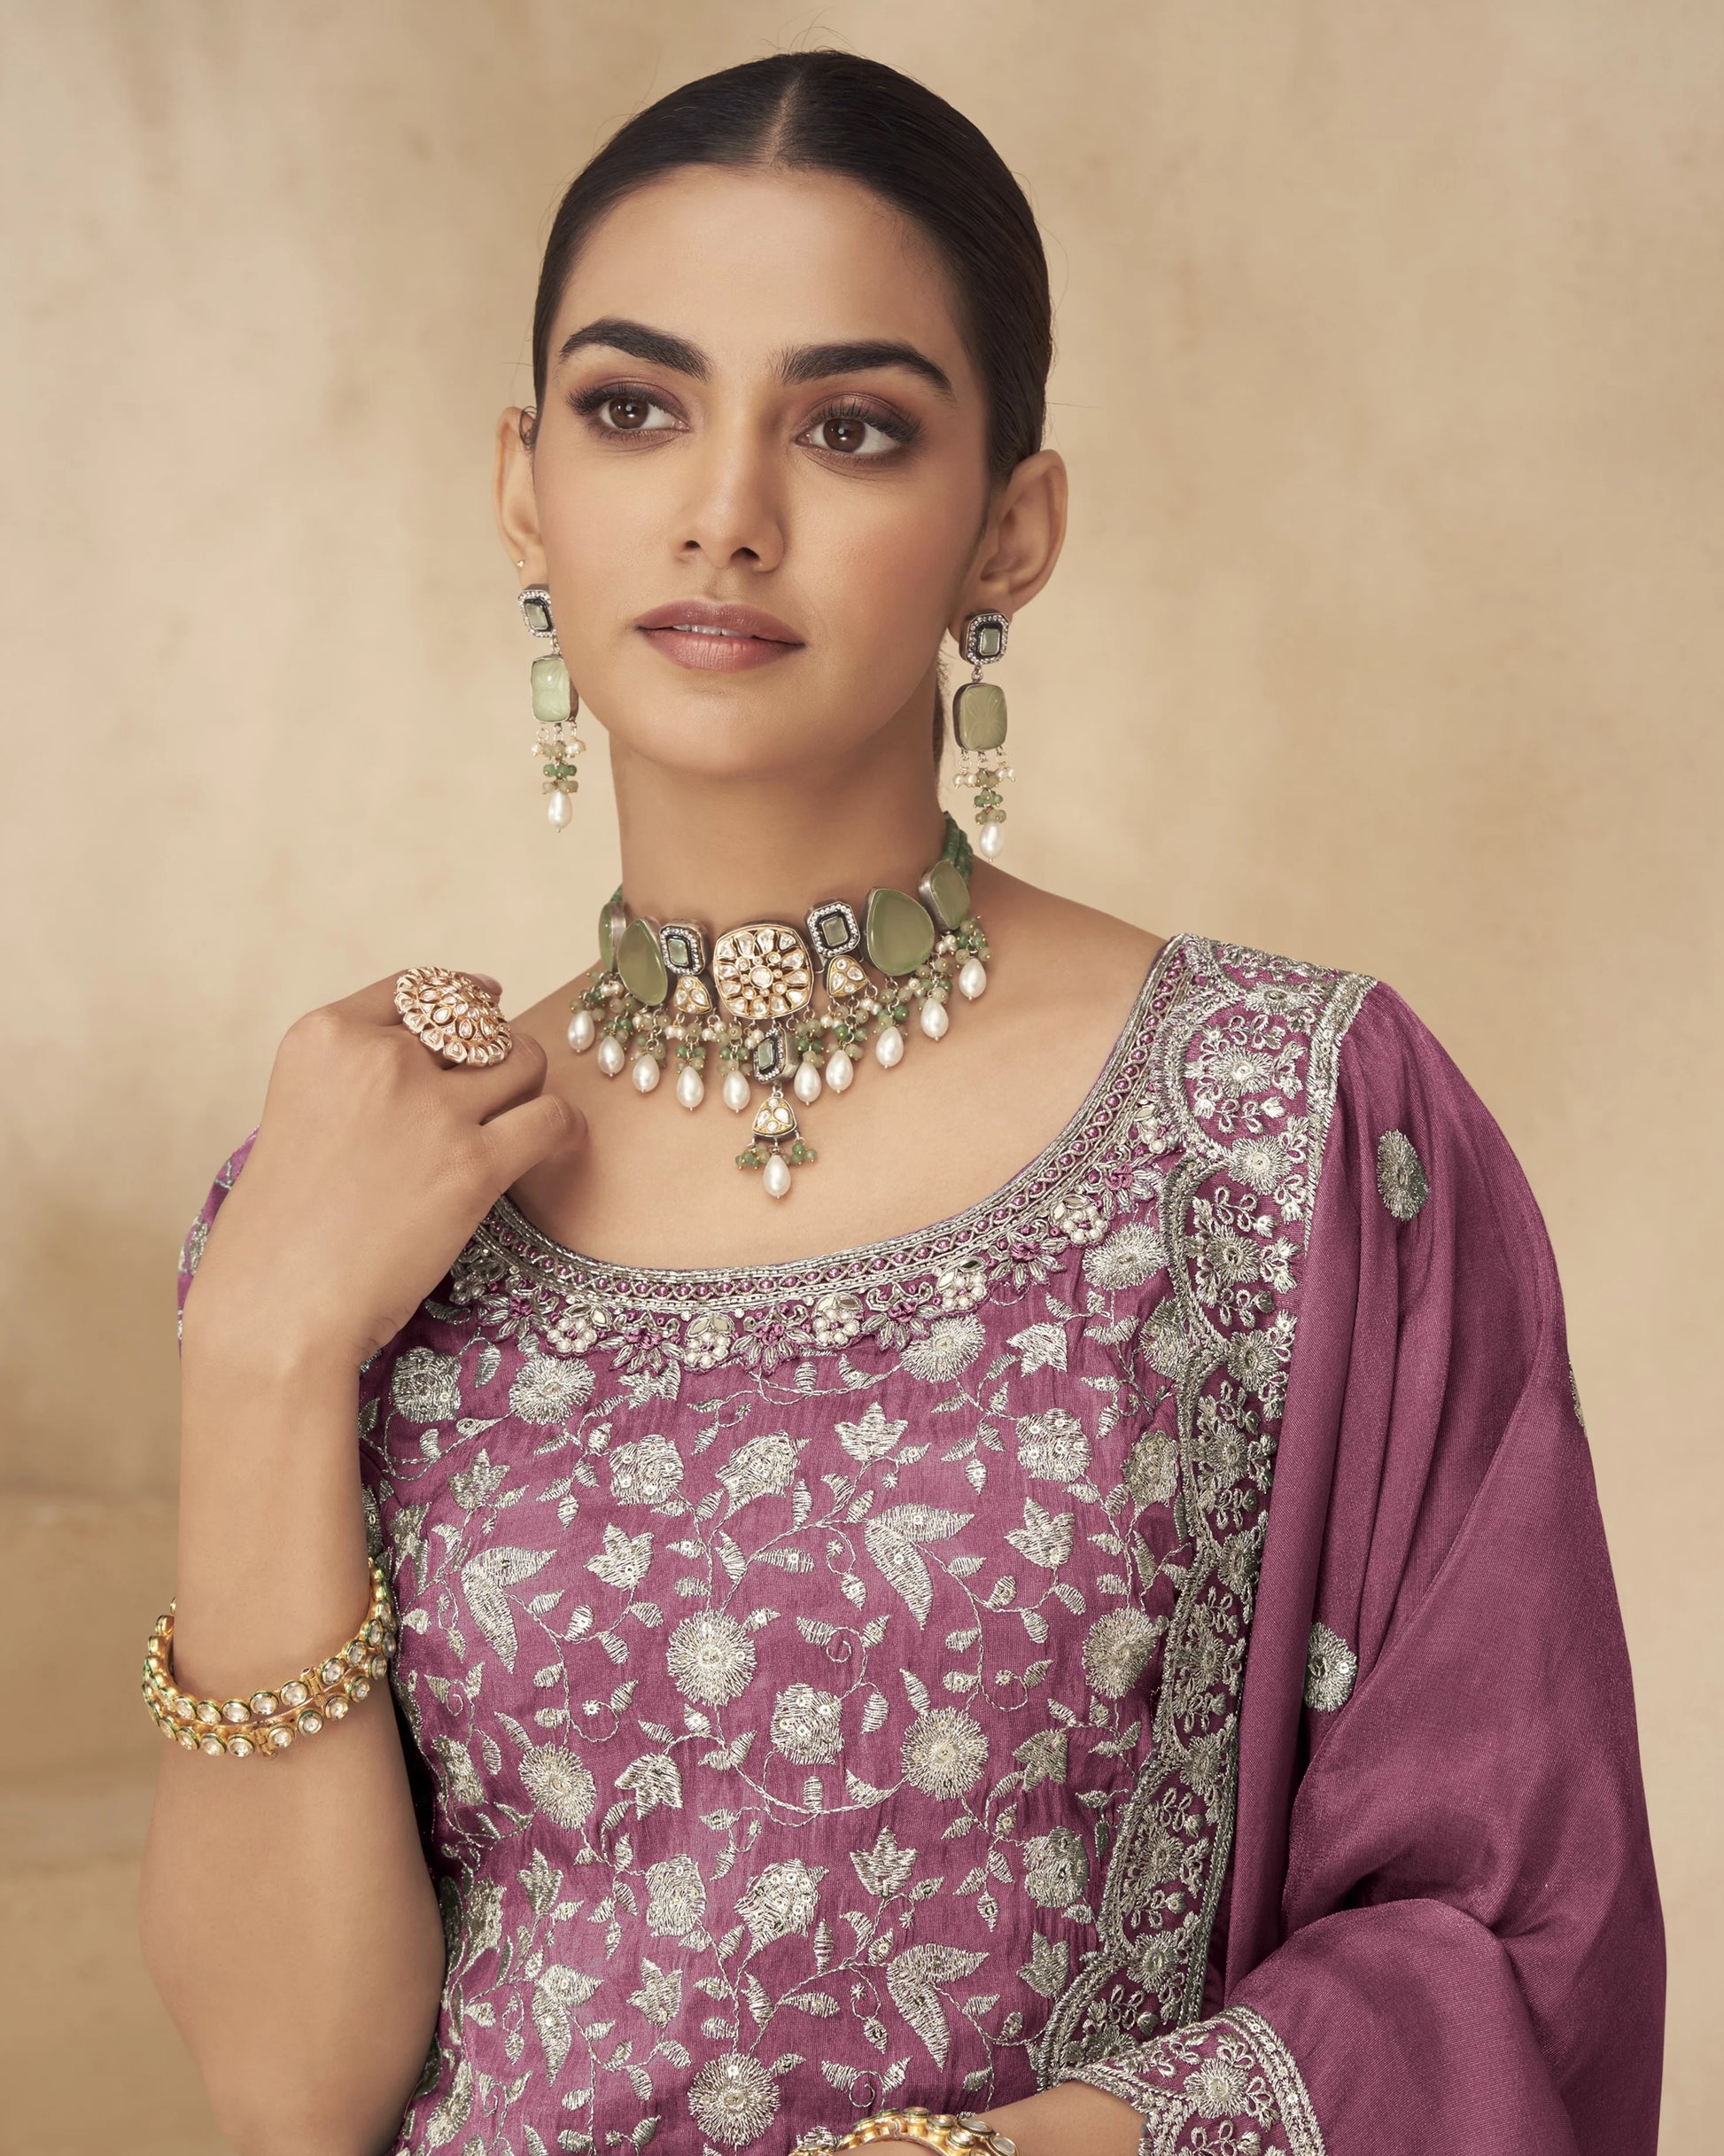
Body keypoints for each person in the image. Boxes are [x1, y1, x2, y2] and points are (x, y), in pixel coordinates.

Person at [137, 48, 1664, 2156]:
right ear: (522, 485)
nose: (723, 507)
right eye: (631, 405)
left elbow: (1515, 1924)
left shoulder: (1287, 1122)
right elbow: (291, 2088)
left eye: (849, 427)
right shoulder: (343, 1191)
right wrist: (265, 1353)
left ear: (1009, 530)